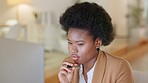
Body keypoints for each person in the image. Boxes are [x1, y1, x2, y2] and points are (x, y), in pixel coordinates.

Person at [58, 2, 134, 83]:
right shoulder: (69, 66)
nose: (73, 50)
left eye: (80, 44)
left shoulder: (119, 68)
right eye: (70, 43)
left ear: (98, 42)